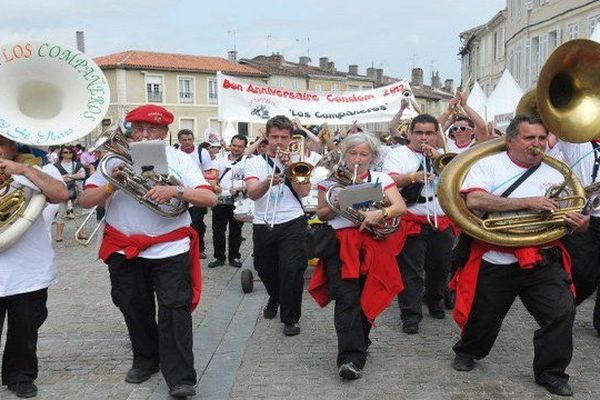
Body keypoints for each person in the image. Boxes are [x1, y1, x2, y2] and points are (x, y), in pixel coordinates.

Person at [79, 104, 217, 398]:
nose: (143, 135)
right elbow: (85, 200)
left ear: (164, 133)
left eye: (151, 129)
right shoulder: (112, 160)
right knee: (132, 306)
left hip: (170, 248)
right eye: (138, 129)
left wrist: (176, 191)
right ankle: (146, 359)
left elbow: (208, 198)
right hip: (124, 249)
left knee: (175, 311)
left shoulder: (180, 159)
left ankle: (181, 377)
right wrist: (110, 187)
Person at [450, 114, 588, 397]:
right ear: (511, 140)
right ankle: (468, 351)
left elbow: (569, 212)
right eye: (529, 138)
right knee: (483, 317)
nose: (537, 144)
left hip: (542, 258)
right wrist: (526, 202)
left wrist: (580, 224)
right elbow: (474, 200)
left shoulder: (557, 171)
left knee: (562, 311)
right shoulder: (488, 164)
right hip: (497, 258)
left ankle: (551, 372)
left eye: (541, 138)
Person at [308, 132, 407, 380]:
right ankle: (349, 359)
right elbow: (321, 213)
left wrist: (379, 213)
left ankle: (360, 341)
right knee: (347, 299)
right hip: (341, 245)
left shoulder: (381, 178)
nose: (357, 159)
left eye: (364, 154)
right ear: (344, 154)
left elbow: (400, 207)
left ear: (372, 157)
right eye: (353, 153)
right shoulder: (330, 182)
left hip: (374, 243)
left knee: (368, 295)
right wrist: (337, 203)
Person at [0, 135, 69, 398]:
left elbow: (61, 194)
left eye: (0, 143)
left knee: (25, 328)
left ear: (13, 146)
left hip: (28, 270)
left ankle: (20, 376)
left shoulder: (39, 168)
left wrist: (24, 170)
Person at [383, 113, 456, 334]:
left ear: (436, 135)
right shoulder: (398, 154)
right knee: (411, 271)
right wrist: (412, 177)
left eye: (429, 133)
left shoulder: (444, 155)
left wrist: (437, 162)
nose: (424, 137)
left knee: (440, 267)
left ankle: (434, 300)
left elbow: (458, 182)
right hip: (412, 216)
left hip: (439, 217)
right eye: (419, 133)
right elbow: (388, 180)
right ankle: (410, 314)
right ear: (410, 133)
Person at [244, 115, 312, 336]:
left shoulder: (297, 161)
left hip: (292, 220)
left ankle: (290, 319)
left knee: (292, 271)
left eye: (284, 137)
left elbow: (304, 192)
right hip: (264, 221)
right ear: (267, 137)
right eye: (274, 137)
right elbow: (253, 194)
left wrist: (291, 166)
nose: (279, 142)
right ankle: (275, 296)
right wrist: (269, 179)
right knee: (264, 268)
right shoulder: (254, 162)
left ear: (291, 138)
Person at [548, 133, 600, 335]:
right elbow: (559, 125)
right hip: (584, 218)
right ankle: (560, 312)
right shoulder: (577, 141)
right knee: (582, 273)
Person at [208, 134, 248, 268]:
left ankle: (234, 257)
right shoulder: (220, 160)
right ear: (230, 145)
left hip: (239, 199)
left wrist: (239, 188)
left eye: (240, 146)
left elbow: (251, 181)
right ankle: (219, 257)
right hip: (220, 200)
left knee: (236, 230)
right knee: (218, 229)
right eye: (234, 145)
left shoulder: (248, 161)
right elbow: (213, 177)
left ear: (244, 147)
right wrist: (214, 186)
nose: (236, 148)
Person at [177, 129, 216, 260]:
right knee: (183, 222)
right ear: (180, 141)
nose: (187, 142)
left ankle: (200, 248)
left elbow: (209, 172)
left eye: (189, 139)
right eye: (184, 140)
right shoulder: (176, 153)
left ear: (193, 139)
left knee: (197, 222)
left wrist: (211, 187)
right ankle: (185, 247)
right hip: (181, 193)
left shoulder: (202, 152)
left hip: (198, 192)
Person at [53, 145, 86, 242]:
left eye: (70, 152)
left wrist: (69, 176)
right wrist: (74, 176)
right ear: (61, 154)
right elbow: (54, 177)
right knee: (61, 213)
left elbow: (83, 175)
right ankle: (59, 235)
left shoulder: (77, 164)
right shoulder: (56, 166)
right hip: (62, 191)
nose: (68, 154)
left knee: (78, 213)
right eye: (65, 152)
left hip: (76, 191)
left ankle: (81, 232)